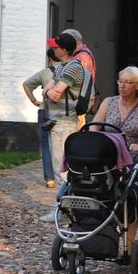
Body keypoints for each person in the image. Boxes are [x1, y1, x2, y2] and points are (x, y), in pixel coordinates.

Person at [92, 66, 138, 253]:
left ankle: (128, 247)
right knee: (106, 195)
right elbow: (95, 126)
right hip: (110, 157)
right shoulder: (109, 102)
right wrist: (94, 141)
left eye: (127, 82)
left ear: (137, 86)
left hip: (134, 158)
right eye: (120, 81)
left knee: (131, 202)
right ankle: (105, 239)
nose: (122, 85)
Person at [43, 33, 85, 191]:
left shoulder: (73, 67)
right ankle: (63, 205)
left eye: (56, 46)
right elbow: (47, 90)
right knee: (57, 166)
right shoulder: (61, 67)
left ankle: (64, 206)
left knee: (61, 168)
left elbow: (55, 92)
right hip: (57, 122)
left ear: (65, 50)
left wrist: (48, 90)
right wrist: (48, 90)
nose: (52, 48)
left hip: (65, 123)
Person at [22, 46, 61, 188]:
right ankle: (63, 175)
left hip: (45, 110)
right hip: (63, 113)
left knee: (46, 144)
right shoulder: (69, 71)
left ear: (49, 58)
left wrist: (34, 101)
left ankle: (50, 178)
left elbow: (26, 84)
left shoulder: (45, 73)